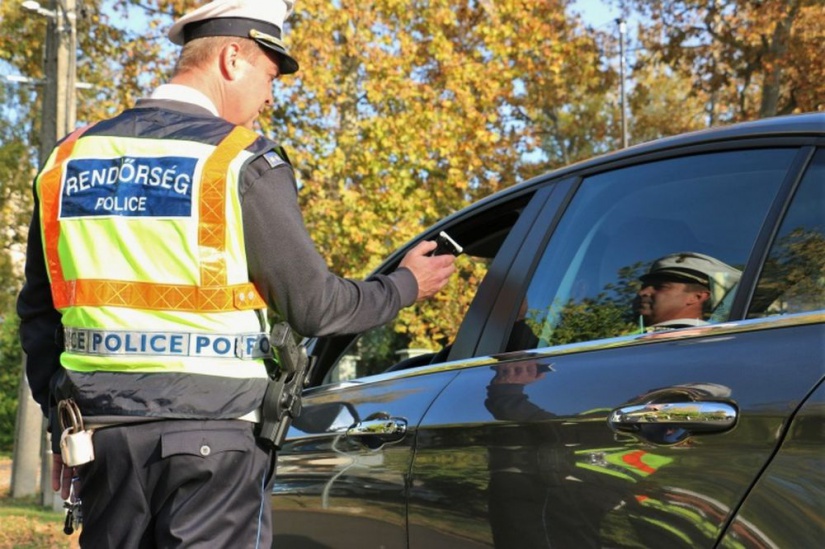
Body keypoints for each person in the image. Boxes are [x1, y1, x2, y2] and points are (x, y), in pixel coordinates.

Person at [16, 0, 455, 546]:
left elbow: (39, 314)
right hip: (213, 441)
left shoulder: (68, 159)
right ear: (231, 58)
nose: (269, 98)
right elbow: (316, 308)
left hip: (102, 440)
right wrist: (405, 285)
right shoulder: (239, 159)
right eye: (269, 76)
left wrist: (62, 424)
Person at [632, 251, 741, 332]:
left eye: (661, 287)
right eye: (643, 287)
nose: (642, 293)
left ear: (697, 297)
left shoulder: (696, 342)